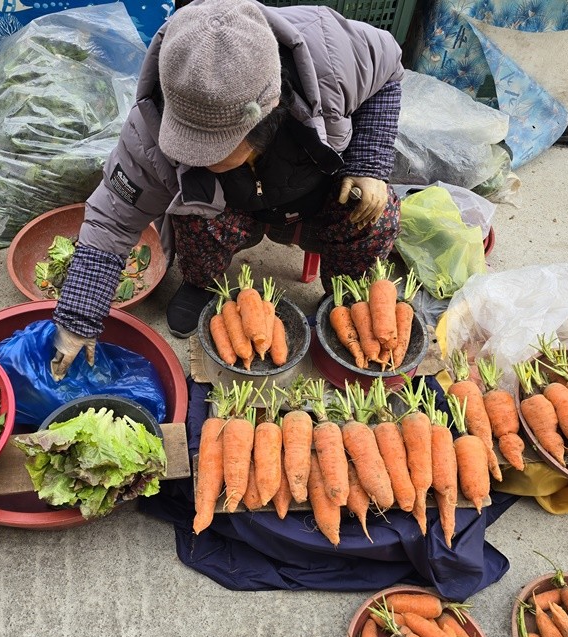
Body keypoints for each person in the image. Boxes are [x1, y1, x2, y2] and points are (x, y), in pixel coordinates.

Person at [50, 0, 404, 379]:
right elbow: (112, 220)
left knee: (375, 213)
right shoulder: (152, 120)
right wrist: (78, 317)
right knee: (188, 209)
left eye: (214, 146)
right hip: (231, 207)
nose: (196, 157)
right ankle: (202, 283)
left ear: (269, 109)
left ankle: (345, 304)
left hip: (317, 193)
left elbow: (390, 74)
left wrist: (369, 164)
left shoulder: (331, 52)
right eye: (186, 140)